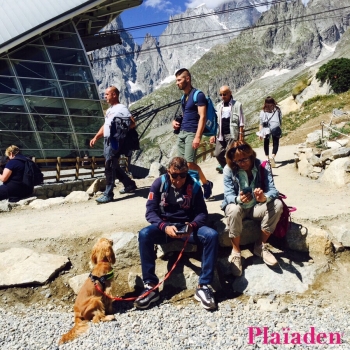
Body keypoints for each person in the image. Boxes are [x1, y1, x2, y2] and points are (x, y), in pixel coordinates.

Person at [135, 157, 218, 310]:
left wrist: (192, 226)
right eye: (174, 175)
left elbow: (202, 213)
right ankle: (151, 286)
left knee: (211, 235)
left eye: (183, 175)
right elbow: (150, 212)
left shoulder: (194, 186)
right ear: (168, 172)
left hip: (187, 227)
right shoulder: (159, 183)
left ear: (187, 173)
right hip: (165, 227)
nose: (178, 179)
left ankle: (204, 285)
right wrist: (164, 226)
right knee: (144, 234)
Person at [221, 141, 283, 276]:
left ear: (251, 155)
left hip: (256, 206)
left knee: (277, 204)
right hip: (239, 208)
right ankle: (236, 251)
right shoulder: (228, 169)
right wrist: (239, 199)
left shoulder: (262, 166)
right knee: (233, 209)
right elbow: (228, 196)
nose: (241, 163)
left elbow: (273, 190)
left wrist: (264, 198)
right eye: (237, 161)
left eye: (244, 159)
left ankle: (260, 246)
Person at [90, 86, 137, 203]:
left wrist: (119, 131)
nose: (105, 96)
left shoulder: (121, 108)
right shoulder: (110, 110)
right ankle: (129, 184)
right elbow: (105, 125)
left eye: (107, 94)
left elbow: (132, 123)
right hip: (107, 141)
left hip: (114, 141)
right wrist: (96, 137)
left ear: (114, 95)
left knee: (109, 165)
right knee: (113, 165)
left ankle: (108, 194)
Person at [172, 68, 213, 199]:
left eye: (179, 80)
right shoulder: (183, 97)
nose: (177, 83)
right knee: (180, 164)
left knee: (189, 163)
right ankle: (187, 190)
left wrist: (197, 137)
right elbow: (185, 114)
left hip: (192, 133)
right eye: (176, 80)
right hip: (182, 133)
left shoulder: (198, 95)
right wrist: (175, 122)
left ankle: (206, 184)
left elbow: (202, 116)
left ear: (187, 79)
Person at [210, 85, 245, 174]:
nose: (222, 96)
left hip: (232, 133)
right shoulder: (218, 106)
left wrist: (241, 136)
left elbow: (241, 121)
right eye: (220, 94)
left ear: (230, 93)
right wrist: (213, 135)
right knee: (217, 154)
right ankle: (226, 166)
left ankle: (232, 172)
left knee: (229, 154)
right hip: (220, 134)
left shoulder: (237, 105)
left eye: (224, 94)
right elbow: (215, 121)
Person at [258, 96, 282, 168]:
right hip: (276, 127)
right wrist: (280, 126)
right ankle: (273, 156)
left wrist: (260, 133)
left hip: (266, 128)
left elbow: (261, 123)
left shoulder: (263, 111)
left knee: (266, 143)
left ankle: (267, 158)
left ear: (265, 103)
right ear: (273, 102)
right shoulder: (277, 109)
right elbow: (280, 119)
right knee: (276, 143)